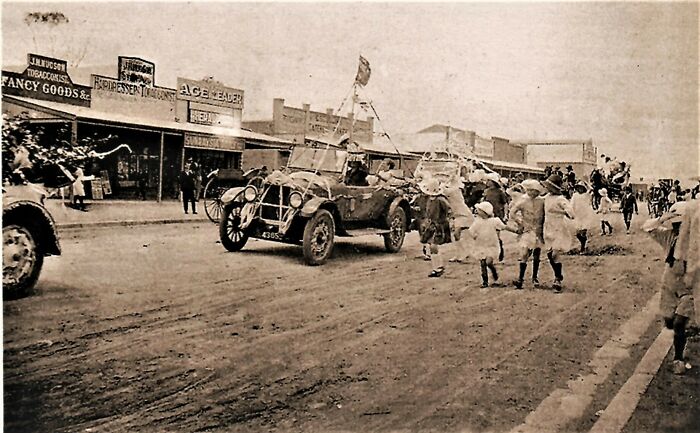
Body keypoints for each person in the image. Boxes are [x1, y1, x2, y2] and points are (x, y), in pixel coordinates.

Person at [643, 202, 694, 374]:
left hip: (690, 286)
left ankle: (678, 358)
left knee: (679, 324)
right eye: (677, 224)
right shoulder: (669, 237)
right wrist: (663, 218)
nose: (680, 228)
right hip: (670, 283)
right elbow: (648, 227)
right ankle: (686, 331)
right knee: (669, 321)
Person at [468, 201, 519, 288]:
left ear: (484, 212)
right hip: (481, 245)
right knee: (482, 263)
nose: (477, 211)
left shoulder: (494, 221)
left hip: (492, 245)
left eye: (479, 210)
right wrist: (475, 237)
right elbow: (471, 231)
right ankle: (485, 281)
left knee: (488, 261)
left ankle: (493, 270)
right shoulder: (477, 222)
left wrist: (515, 231)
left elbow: (504, 227)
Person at [542, 174, 575, 293]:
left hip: (558, 228)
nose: (547, 188)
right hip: (548, 228)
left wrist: (565, 211)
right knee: (550, 254)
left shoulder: (560, 199)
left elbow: (571, 213)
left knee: (555, 253)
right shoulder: (545, 197)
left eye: (550, 186)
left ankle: (557, 279)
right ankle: (558, 274)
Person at [510, 179, 545, 289]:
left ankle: (535, 277)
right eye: (531, 191)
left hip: (539, 229)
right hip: (527, 229)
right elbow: (512, 212)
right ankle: (520, 278)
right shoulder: (523, 200)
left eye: (535, 191)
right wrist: (519, 222)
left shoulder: (542, 201)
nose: (533, 193)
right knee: (524, 253)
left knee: (536, 253)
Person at [417, 177, 452, 277]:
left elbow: (449, 210)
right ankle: (437, 266)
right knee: (431, 245)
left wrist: (447, 219)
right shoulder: (428, 200)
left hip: (439, 224)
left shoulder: (441, 200)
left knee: (433, 245)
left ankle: (438, 267)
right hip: (431, 224)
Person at [571, 181, 596, 253]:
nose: (580, 189)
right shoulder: (575, 195)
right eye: (578, 188)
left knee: (583, 232)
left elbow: (591, 189)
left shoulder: (586, 195)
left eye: (581, 188)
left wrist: (586, 182)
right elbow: (572, 204)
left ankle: (583, 247)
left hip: (585, 216)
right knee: (578, 234)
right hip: (578, 216)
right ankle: (583, 243)